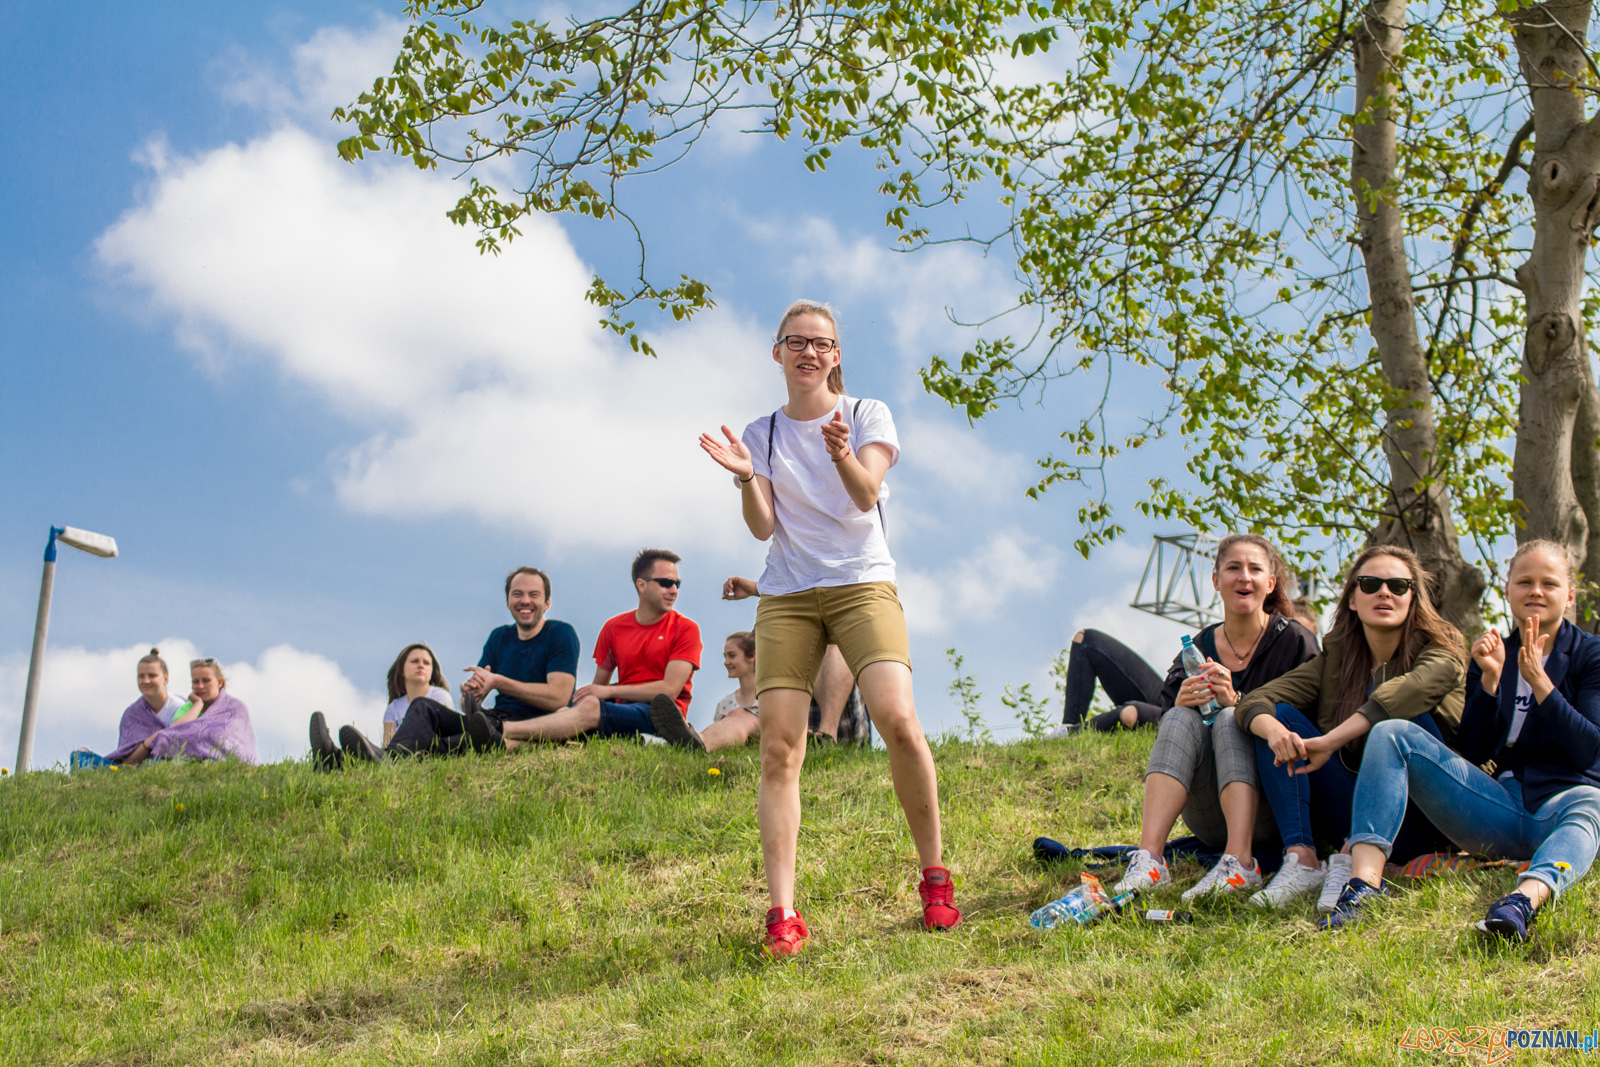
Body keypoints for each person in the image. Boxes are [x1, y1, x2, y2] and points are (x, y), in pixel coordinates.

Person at [697, 298, 960, 956]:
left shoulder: (866, 414)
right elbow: (762, 526)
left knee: (898, 719)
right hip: (788, 594)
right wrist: (743, 477)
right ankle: (782, 912)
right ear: (778, 353)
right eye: (796, 341)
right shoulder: (761, 433)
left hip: (863, 582)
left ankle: (934, 876)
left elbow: (865, 494)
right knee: (781, 747)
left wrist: (841, 453)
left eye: (821, 342)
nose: (809, 351)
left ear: (836, 355)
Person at [1332, 540, 1600, 938]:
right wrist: (1489, 683)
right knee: (1390, 732)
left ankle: (1521, 902)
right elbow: (1473, 752)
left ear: (1570, 595)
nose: (1536, 592)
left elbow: (1588, 749)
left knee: (1594, 802)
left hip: (1565, 805)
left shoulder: (1590, 654)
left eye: (1549, 583)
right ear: (1507, 591)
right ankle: (1361, 887)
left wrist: (1541, 685)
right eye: (1524, 582)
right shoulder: (1495, 654)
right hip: (1500, 807)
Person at [1237, 545, 1464, 913]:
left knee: (1399, 720)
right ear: (1353, 600)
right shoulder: (1336, 659)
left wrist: (1328, 741)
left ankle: (1353, 859)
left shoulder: (1442, 650)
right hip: (1350, 806)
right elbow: (1254, 702)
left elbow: (1406, 693)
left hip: (1425, 815)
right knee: (1278, 718)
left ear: (1413, 598)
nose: (1384, 592)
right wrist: (1275, 732)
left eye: (1398, 585)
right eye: (1371, 583)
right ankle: (1303, 858)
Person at [1107, 535, 1320, 902]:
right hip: (1209, 812)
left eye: (1255, 569)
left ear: (1270, 583)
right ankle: (1150, 860)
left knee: (1229, 719)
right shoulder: (1195, 649)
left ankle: (1241, 862)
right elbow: (1166, 732)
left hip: (1273, 807)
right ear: (1216, 580)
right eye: (1233, 568)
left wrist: (1235, 702)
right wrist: (1183, 701)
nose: (1244, 578)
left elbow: (1312, 727)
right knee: (1177, 717)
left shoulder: (1295, 642)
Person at [336, 567, 579, 761]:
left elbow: (558, 697)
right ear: (507, 601)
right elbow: (471, 701)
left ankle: (355, 760)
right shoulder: (499, 637)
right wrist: (471, 696)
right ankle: (354, 758)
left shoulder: (560, 634)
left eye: (533, 595)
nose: (525, 600)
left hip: (534, 725)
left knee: (449, 745)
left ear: (547, 603)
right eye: (517, 594)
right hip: (492, 718)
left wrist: (499, 683)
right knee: (423, 706)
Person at [470, 550, 702, 747]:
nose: (673, 589)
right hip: (619, 710)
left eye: (677, 584)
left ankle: (501, 728)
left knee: (589, 708)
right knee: (565, 714)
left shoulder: (686, 628)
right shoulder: (613, 628)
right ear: (641, 585)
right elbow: (597, 687)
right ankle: (502, 745)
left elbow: (669, 690)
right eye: (665, 582)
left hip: (663, 714)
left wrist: (609, 693)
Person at [309, 642, 456, 769]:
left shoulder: (438, 697)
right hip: (403, 754)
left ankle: (339, 759)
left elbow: (447, 733)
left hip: (429, 749)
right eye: (415, 661)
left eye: (426, 663)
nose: (420, 666)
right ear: (402, 670)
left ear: (432, 671)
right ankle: (333, 757)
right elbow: (388, 745)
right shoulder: (394, 708)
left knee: (420, 705)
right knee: (382, 756)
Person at [118, 657, 257, 765]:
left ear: (219, 682)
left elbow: (223, 739)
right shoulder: (186, 708)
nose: (200, 686)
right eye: (196, 682)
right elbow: (174, 733)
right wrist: (197, 704)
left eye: (206, 680)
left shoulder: (235, 708)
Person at [70, 648, 195, 769]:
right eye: (141, 676)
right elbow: (127, 761)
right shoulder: (132, 714)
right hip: (128, 769)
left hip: (162, 766)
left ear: (165, 678)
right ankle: (104, 778)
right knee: (79, 756)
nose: (146, 681)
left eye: (152, 676)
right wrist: (149, 742)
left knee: (156, 764)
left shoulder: (180, 707)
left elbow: (182, 748)